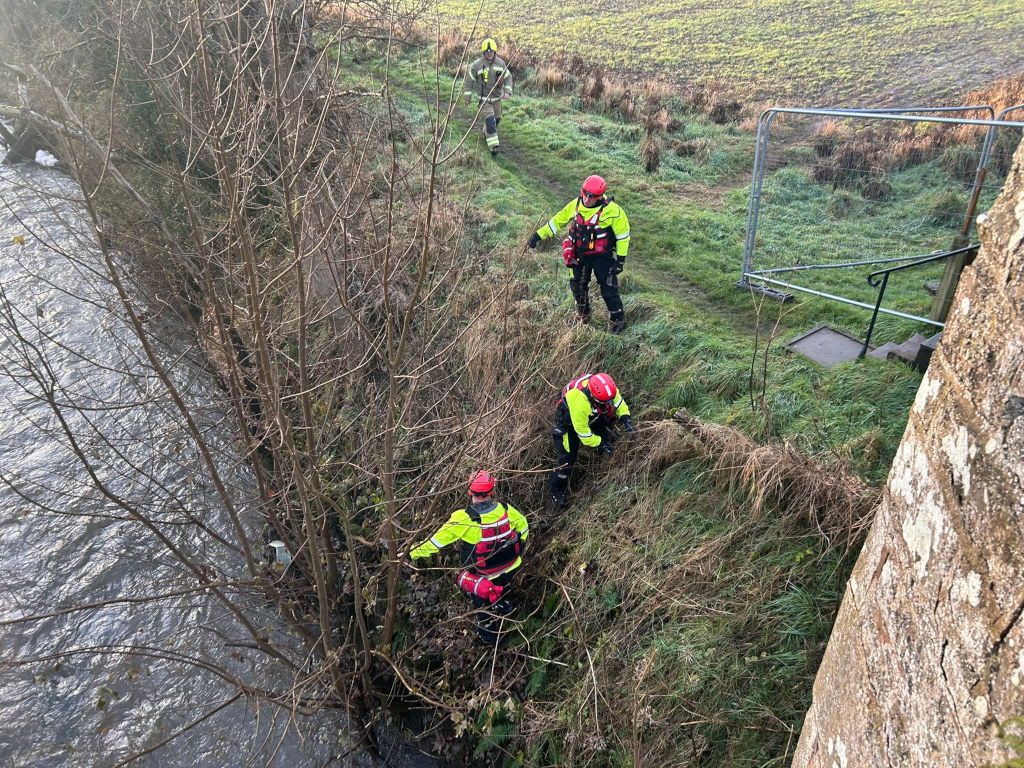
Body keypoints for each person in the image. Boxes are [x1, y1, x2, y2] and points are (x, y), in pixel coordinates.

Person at [408, 471, 529, 644]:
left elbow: (434, 543)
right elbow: (524, 526)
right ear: (492, 491)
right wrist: (520, 545)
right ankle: (504, 604)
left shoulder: (463, 519)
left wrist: (410, 553)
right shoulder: (505, 509)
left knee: (482, 606)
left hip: (483, 577)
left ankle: (488, 637)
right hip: (511, 565)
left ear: (469, 491)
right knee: (504, 585)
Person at [527, 175, 631, 333]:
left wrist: (620, 262)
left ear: (600, 196)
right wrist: (537, 236)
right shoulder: (575, 205)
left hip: (602, 257)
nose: (587, 199)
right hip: (578, 255)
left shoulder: (613, 211)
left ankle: (618, 319)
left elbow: (623, 236)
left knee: (608, 289)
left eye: (592, 196)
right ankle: (584, 315)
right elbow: (557, 222)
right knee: (577, 286)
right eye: (585, 194)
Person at [549, 372, 636, 508]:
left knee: (610, 433)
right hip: (570, 423)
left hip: (593, 412)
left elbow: (619, 403)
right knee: (567, 460)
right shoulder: (580, 402)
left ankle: (606, 455)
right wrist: (601, 443)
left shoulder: (607, 389)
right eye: (606, 402)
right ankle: (555, 488)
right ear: (594, 397)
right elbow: (584, 434)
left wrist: (627, 420)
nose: (609, 403)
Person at [464, 39, 513, 157]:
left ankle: (487, 132)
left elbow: (508, 77)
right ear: (483, 53)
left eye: (491, 52)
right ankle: (493, 147)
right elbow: (469, 80)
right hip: (484, 100)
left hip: (497, 100)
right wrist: (467, 97)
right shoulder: (477, 65)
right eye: (487, 52)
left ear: (495, 52)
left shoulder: (500, 64)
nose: (489, 54)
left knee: (496, 121)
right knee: (491, 123)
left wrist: (507, 91)